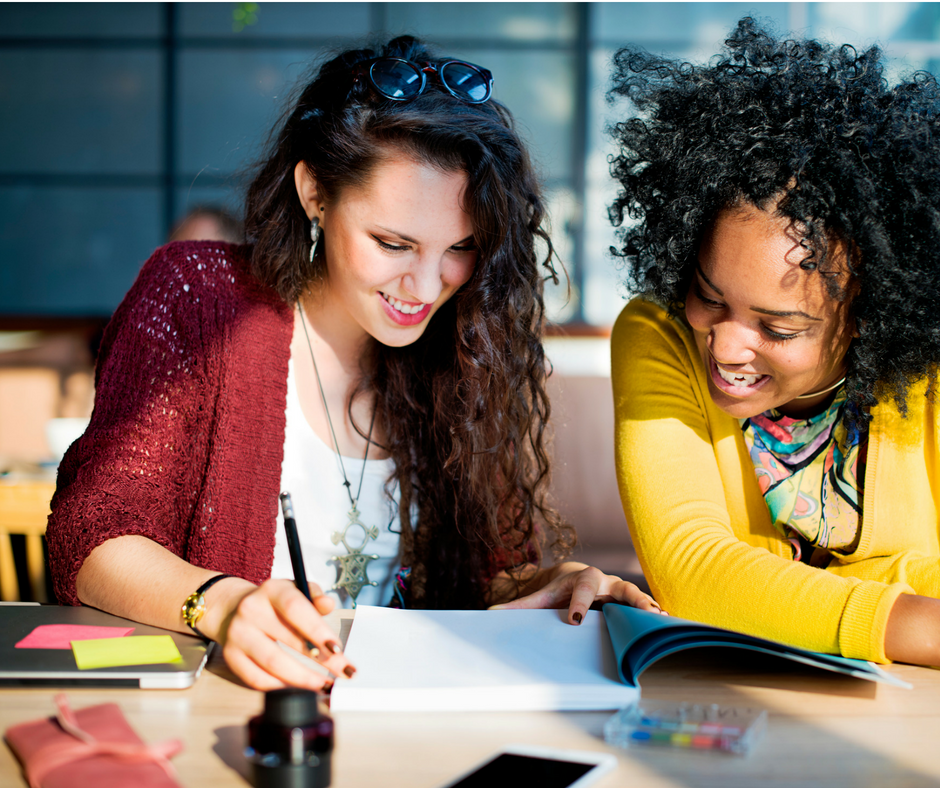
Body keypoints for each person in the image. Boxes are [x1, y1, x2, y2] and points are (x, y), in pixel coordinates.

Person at [47, 36, 659, 693]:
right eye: (393, 243)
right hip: (240, 717)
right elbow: (91, 539)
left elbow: (487, 577)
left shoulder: (462, 343)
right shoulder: (201, 298)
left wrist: (550, 585)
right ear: (314, 191)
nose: (426, 287)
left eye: (460, 247)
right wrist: (224, 605)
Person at [607, 18, 940, 666]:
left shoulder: (925, 372)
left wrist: (769, 596)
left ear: (867, 315)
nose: (727, 347)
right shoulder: (659, 334)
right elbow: (693, 574)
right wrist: (908, 608)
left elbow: (723, 595)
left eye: (778, 327)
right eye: (709, 295)